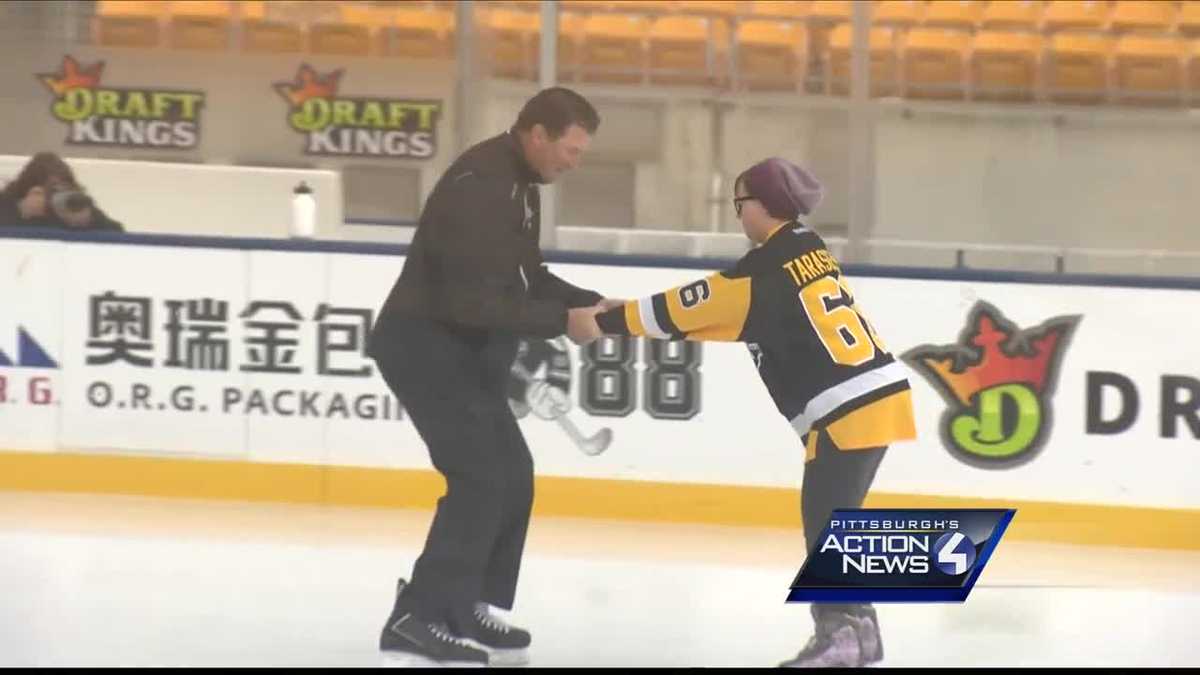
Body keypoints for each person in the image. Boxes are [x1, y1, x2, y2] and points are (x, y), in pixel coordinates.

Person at [580, 157, 917, 668]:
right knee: (837, 522)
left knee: (824, 525)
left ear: (763, 207)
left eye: (740, 205)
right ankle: (861, 631)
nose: (738, 216)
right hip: (878, 393)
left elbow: (687, 308)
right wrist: (633, 312)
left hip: (844, 407)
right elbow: (718, 315)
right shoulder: (808, 248)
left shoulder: (757, 273)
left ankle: (841, 637)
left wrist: (608, 321)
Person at [366, 87, 617, 667]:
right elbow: (474, 303)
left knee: (512, 472)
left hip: (461, 354)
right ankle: (418, 617)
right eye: (570, 150)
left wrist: (596, 305)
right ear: (537, 135)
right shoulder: (480, 185)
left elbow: (526, 276)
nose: (573, 162)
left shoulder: (518, 184)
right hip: (427, 349)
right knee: (480, 477)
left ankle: (466, 603)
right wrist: (563, 320)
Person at [0, 152, 124, 232]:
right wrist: (20, 212)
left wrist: (89, 221)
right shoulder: (7, 203)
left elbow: (119, 235)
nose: (55, 195)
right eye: (50, 190)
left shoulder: (74, 203)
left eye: (63, 188)